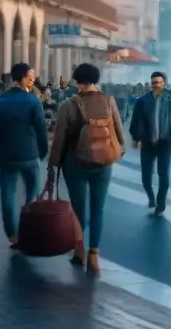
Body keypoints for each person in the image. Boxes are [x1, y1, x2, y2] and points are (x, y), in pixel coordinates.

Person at [48, 62, 124, 275]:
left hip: (75, 163)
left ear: (77, 80)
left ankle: (79, 250)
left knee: (79, 208)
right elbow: (118, 131)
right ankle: (94, 256)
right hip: (104, 163)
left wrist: (53, 165)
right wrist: (118, 150)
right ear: (96, 79)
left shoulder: (69, 105)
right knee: (98, 208)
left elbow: (60, 139)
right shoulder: (109, 101)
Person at [0, 63, 48, 248]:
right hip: (29, 155)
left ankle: (12, 234)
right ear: (22, 77)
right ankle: (27, 228)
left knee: (7, 194)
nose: (33, 79)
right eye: (30, 75)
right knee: (32, 192)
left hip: (5, 156)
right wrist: (43, 152)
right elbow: (41, 129)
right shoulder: (33, 101)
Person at [129, 71, 171, 215]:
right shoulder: (142, 100)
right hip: (147, 143)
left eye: (159, 82)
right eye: (153, 82)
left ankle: (161, 203)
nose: (156, 85)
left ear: (164, 83)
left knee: (163, 174)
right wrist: (135, 138)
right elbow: (135, 121)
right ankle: (151, 198)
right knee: (146, 177)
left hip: (165, 142)